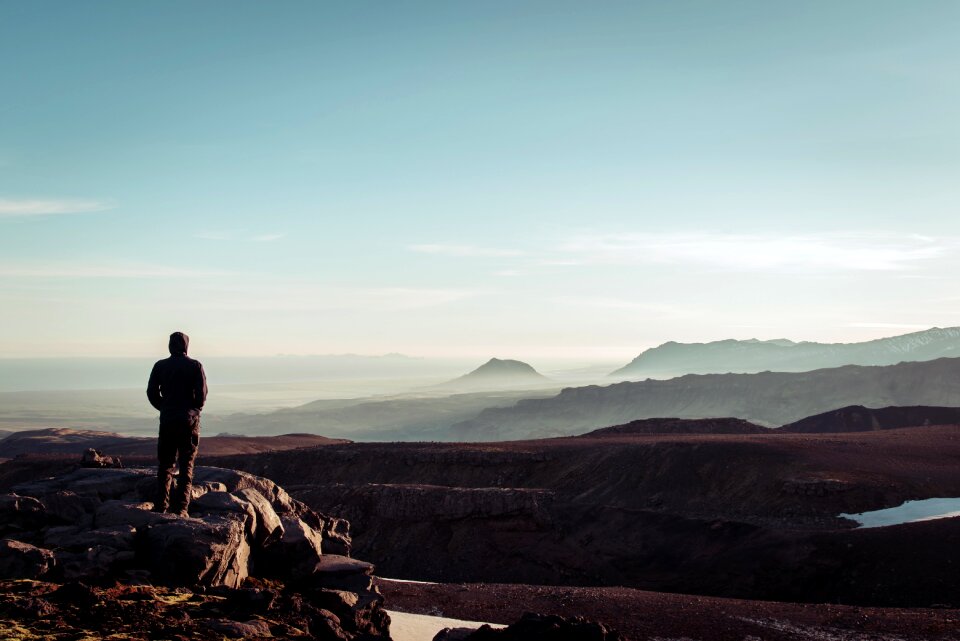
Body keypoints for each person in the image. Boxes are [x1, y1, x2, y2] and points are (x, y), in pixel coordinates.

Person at [147, 331, 208, 516]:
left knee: (165, 464)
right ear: (186, 346)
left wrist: (164, 408)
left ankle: (161, 506)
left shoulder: (160, 366)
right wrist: (193, 410)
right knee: (186, 464)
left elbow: (151, 392)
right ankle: (181, 508)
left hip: (167, 420)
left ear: (170, 346)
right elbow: (202, 395)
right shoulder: (195, 366)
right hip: (188, 421)